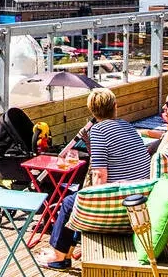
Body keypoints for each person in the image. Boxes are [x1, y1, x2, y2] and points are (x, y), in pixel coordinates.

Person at [39, 88, 153, 271]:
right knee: (78, 198)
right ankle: (67, 251)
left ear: (91, 111)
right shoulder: (127, 126)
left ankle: (58, 257)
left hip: (121, 206)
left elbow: (100, 176)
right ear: (115, 107)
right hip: (140, 198)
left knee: (70, 203)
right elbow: (116, 157)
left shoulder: (99, 130)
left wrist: (90, 197)